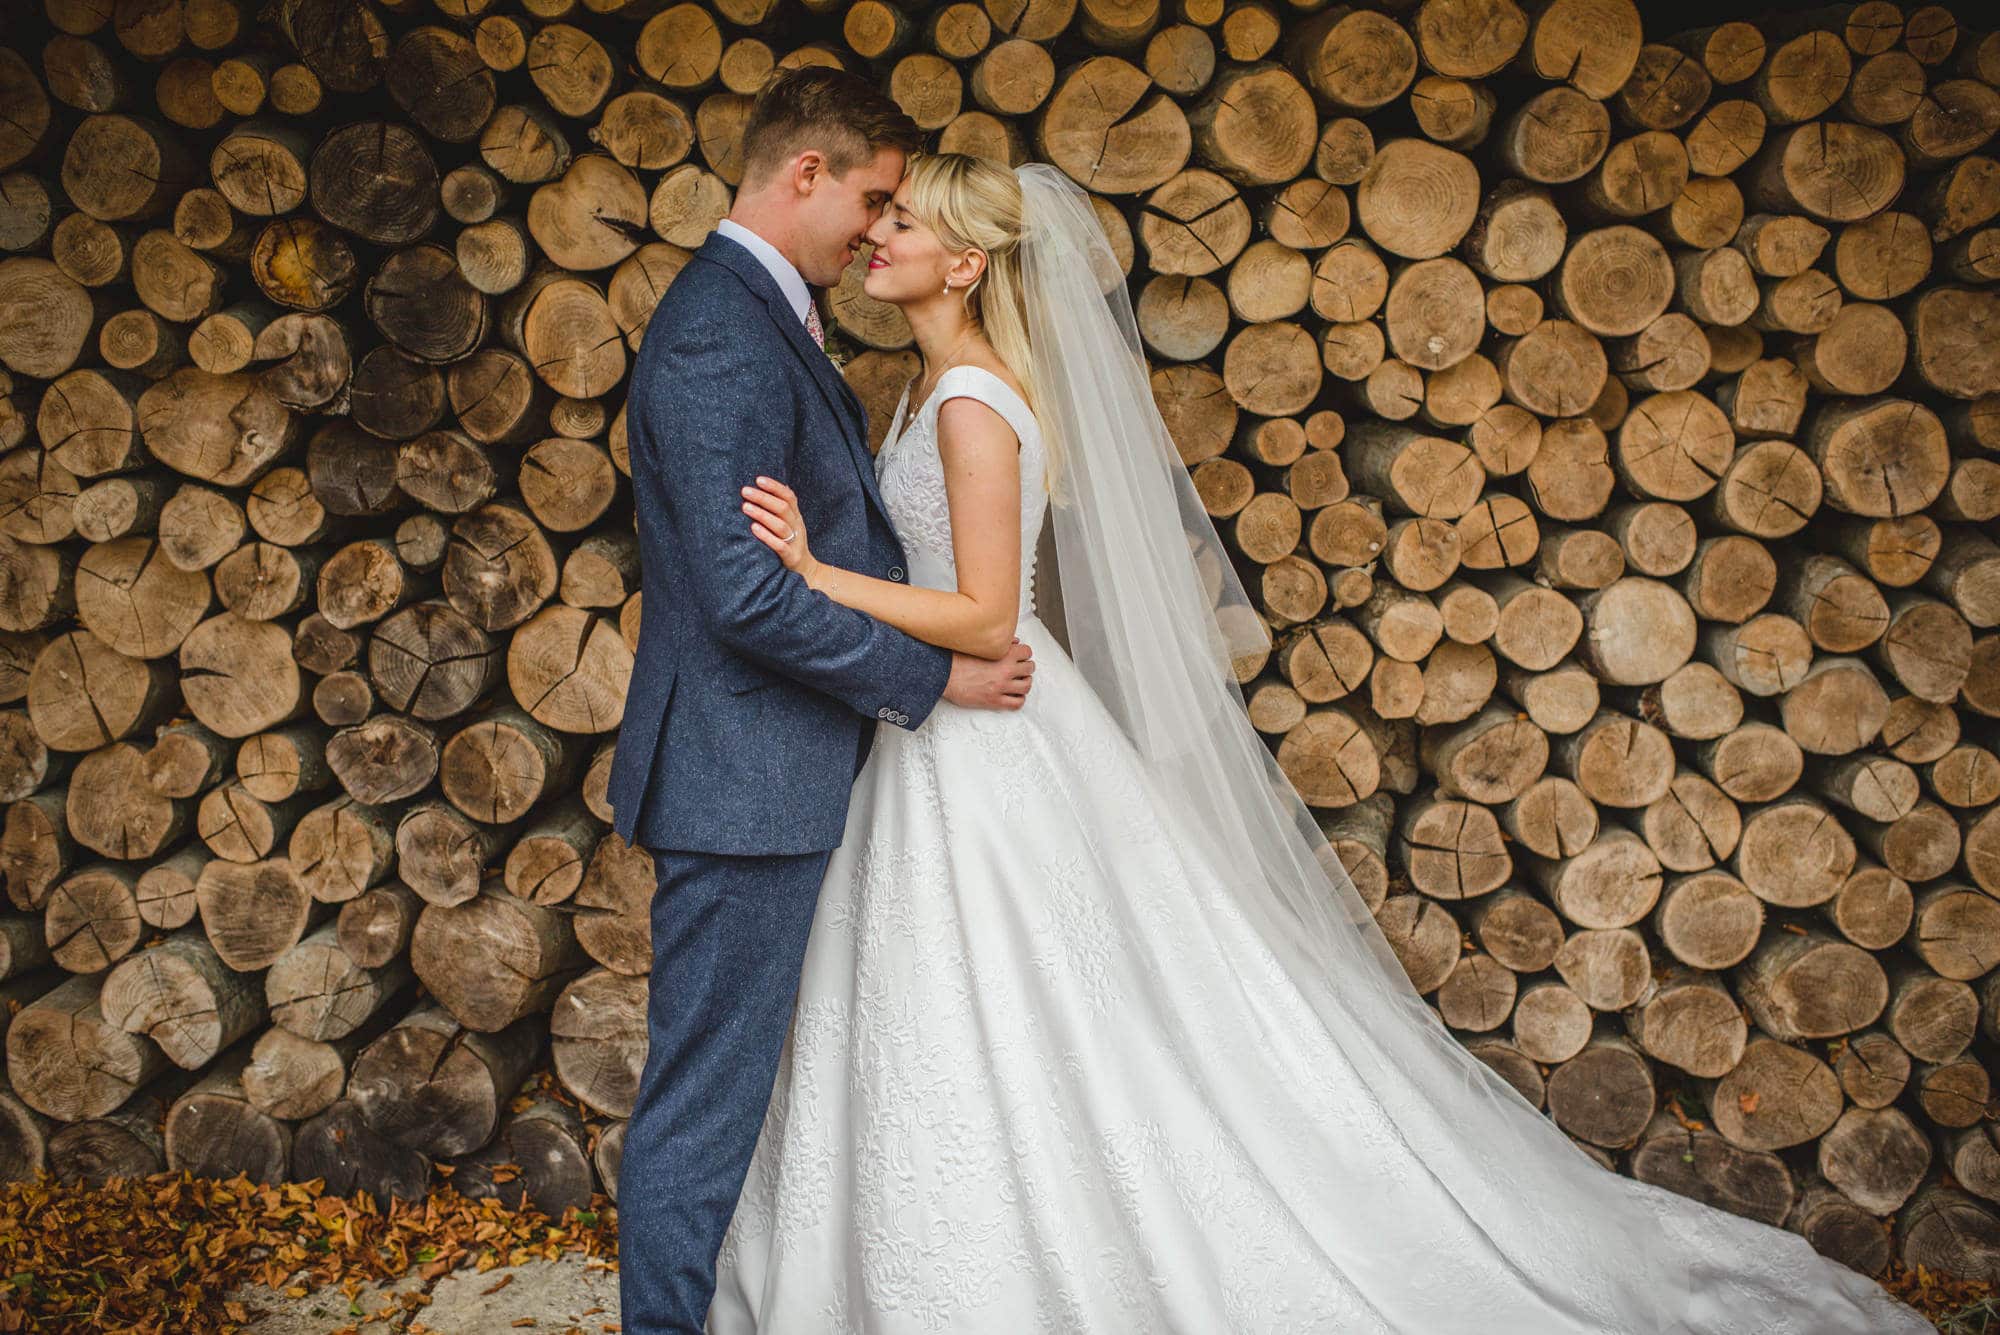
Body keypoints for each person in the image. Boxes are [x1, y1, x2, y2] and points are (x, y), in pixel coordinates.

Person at [703, 151, 1933, 1333]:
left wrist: (814, 574)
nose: (877, 236)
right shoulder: (930, 386)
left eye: (904, 225)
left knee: (1031, 1000)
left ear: (967, 265)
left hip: (988, 735)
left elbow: (981, 610)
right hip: (949, 727)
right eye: (883, 219)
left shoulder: (972, 402)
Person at [607, 71, 1036, 1335]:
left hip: (783, 776)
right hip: (743, 784)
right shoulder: (715, 332)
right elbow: (743, 595)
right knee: (705, 1101)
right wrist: (931, 674)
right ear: (806, 175)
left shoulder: (762, 318)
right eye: (871, 197)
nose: (875, 229)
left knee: (756, 1090)